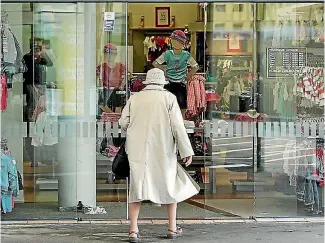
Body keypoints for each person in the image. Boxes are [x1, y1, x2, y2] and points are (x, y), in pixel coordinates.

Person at [119, 68, 200, 243]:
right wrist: (187, 151)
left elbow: (123, 122)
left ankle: (133, 229)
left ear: (147, 82)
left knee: (137, 186)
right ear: (163, 82)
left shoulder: (135, 98)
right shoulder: (169, 98)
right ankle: (171, 227)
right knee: (170, 185)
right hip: (163, 148)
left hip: (138, 148)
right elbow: (178, 126)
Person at [153, 30, 199, 110]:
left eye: (178, 42)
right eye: (174, 41)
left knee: (181, 106)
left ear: (182, 43)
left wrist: (189, 75)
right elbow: (155, 63)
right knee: (167, 106)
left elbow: (195, 66)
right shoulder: (167, 54)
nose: (176, 44)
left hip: (181, 83)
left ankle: (180, 121)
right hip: (169, 82)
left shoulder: (186, 55)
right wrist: (164, 69)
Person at [96, 43, 125, 108]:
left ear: (115, 55)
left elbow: (125, 81)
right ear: (104, 55)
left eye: (112, 54)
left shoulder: (121, 67)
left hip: (118, 95)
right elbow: (97, 82)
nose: (110, 56)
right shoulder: (101, 67)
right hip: (104, 96)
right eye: (107, 54)